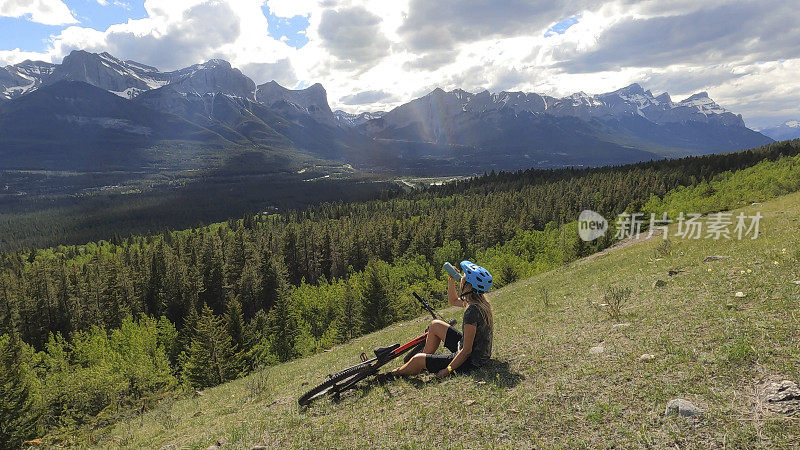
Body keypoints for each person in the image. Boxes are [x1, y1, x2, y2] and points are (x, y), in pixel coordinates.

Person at [383, 261, 494, 380]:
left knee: (417, 359)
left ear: (468, 286)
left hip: (470, 362)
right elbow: (453, 301)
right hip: (476, 354)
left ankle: (393, 374)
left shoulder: (472, 311)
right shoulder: (479, 302)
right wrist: (451, 281)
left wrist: (448, 370)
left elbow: (466, 351)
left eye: (464, 278)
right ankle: (425, 363)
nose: (461, 278)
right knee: (435, 325)